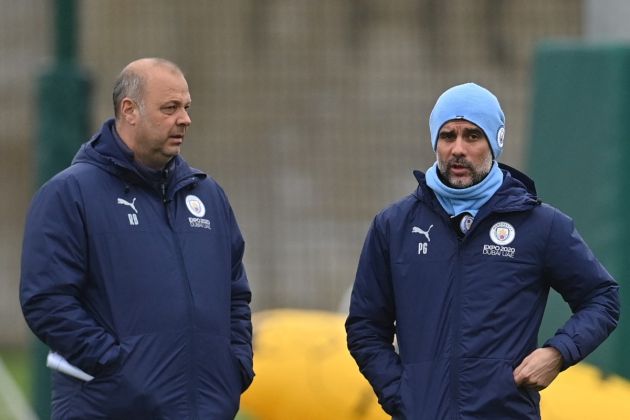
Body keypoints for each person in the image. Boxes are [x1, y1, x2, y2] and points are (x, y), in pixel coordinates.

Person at [345, 82, 620, 419]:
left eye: (472, 136)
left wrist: (558, 353)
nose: (458, 148)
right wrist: (402, 396)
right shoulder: (394, 225)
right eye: (448, 136)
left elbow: (603, 298)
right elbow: (365, 327)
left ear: (495, 142)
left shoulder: (541, 225)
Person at [20, 58, 254, 419]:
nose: (185, 119)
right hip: (109, 408)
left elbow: (236, 293)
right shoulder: (70, 194)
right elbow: (47, 300)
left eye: (186, 107)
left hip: (207, 408)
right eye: (170, 108)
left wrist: (235, 362)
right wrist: (119, 369)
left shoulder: (208, 197)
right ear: (129, 111)